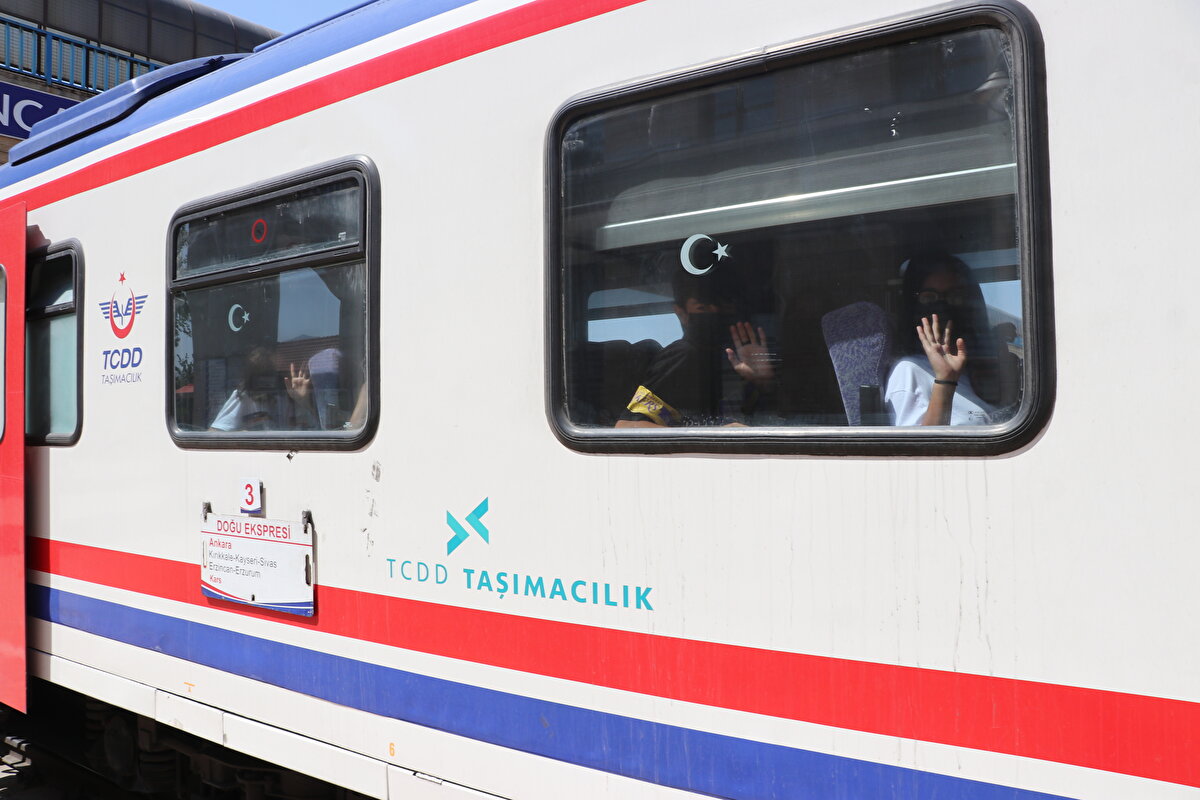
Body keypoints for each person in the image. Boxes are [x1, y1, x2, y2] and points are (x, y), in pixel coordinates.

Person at [616, 269, 774, 428]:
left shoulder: (728, 358)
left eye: (722, 305)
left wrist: (762, 382)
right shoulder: (684, 355)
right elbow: (627, 426)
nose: (715, 312)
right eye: (702, 307)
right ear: (681, 313)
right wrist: (714, 435)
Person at [885, 253, 996, 426]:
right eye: (929, 298)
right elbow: (921, 449)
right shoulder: (909, 371)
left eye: (954, 297)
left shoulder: (975, 365)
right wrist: (945, 381)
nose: (943, 306)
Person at [210, 346, 319, 431]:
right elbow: (213, 433)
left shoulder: (290, 397)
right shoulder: (244, 396)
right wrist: (241, 435)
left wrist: (303, 402)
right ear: (252, 377)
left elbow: (319, 430)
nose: (269, 381)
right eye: (263, 374)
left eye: (277, 374)